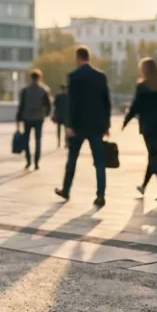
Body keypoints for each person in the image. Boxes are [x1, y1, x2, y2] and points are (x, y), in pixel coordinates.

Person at [55, 46, 112, 207]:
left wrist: (69, 125)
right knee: (99, 162)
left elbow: (71, 103)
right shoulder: (100, 76)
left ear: (78, 58)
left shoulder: (74, 76)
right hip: (97, 125)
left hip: (79, 126)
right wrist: (107, 124)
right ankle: (100, 195)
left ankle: (66, 190)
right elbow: (106, 102)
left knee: (72, 159)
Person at [123, 57, 157, 202]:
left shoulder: (142, 87)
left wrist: (126, 121)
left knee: (153, 156)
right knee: (153, 155)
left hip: (148, 126)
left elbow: (135, 106)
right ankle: (144, 186)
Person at [16, 70, 53, 170]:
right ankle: (36, 162)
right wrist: (46, 114)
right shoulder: (44, 90)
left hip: (27, 117)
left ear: (31, 78)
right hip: (39, 118)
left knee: (26, 140)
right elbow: (48, 105)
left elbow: (21, 106)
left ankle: (28, 160)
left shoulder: (25, 90)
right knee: (38, 140)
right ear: (39, 78)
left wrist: (18, 119)